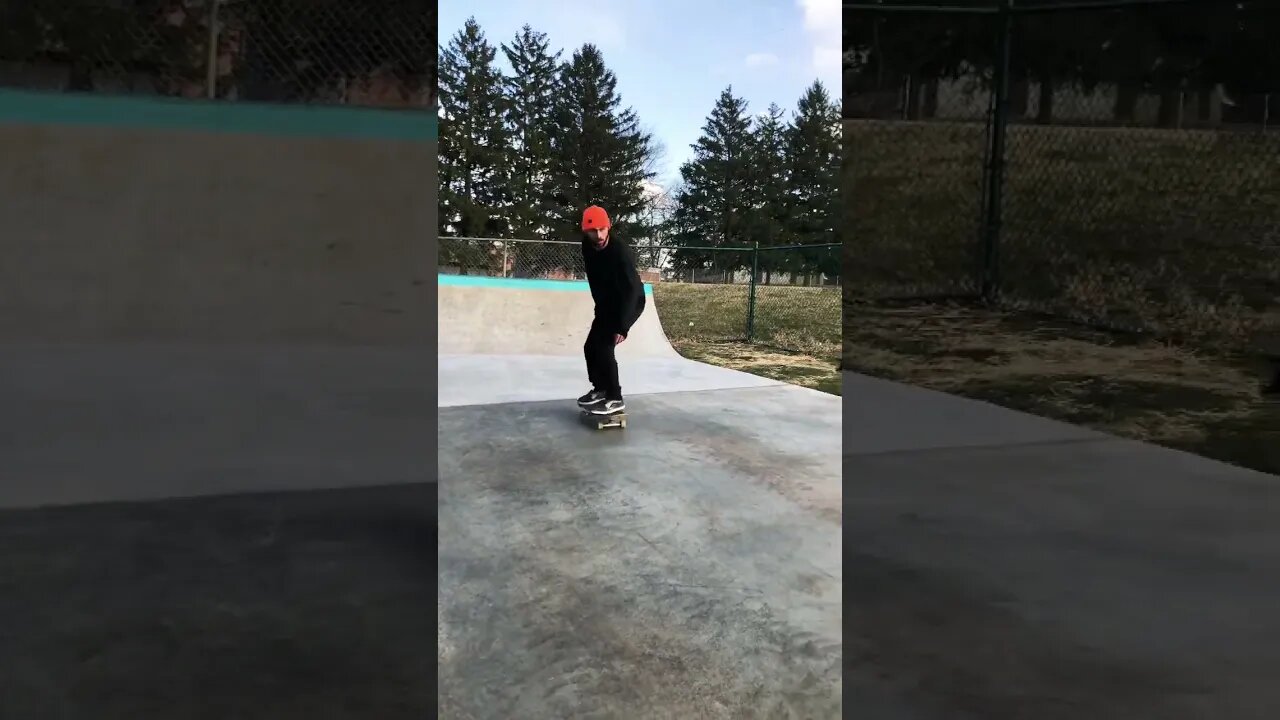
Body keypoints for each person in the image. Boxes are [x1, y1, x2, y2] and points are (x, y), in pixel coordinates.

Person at [577, 204, 645, 415]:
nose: (598, 236)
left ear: (609, 228)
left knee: (605, 347)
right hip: (607, 303)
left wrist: (622, 326)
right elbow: (595, 280)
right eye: (593, 231)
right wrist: (600, 308)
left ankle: (615, 397)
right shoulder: (587, 246)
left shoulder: (619, 252)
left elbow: (631, 290)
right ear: (585, 231)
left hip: (629, 302)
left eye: (602, 230)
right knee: (590, 347)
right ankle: (600, 388)